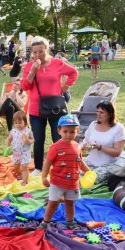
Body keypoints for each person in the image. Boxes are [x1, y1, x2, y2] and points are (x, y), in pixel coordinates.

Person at [20, 36, 79, 176]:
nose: (37, 55)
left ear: (47, 49)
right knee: (38, 139)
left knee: (58, 138)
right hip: (36, 108)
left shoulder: (57, 63)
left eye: (40, 51)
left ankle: (60, 165)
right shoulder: (29, 66)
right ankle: (38, 167)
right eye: (34, 52)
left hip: (56, 107)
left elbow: (73, 72)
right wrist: (33, 71)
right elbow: (25, 86)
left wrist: (65, 87)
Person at [40, 115, 90, 230]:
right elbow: (48, 162)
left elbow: (79, 161)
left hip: (73, 182)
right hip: (57, 181)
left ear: (77, 131)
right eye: (65, 131)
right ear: (59, 131)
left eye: (72, 132)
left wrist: (88, 172)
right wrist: (44, 176)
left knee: (70, 203)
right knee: (53, 202)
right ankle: (46, 222)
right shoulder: (55, 147)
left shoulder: (77, 146)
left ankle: (70, 222)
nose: (68, 134)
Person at [81, 101, 125, 185]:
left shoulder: (118, 128)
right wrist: (87, 146)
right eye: (97, 111)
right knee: (70, 173)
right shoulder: (93, 125)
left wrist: (99, 147)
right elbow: (85, 142)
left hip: (108, 164)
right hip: (90, 161)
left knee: (91, 180)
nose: (98, 114)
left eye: (102, 112)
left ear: (110, 114)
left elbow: (117, 152)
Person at [7, 111, 34, 186]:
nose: (18, 125)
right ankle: (19, 174)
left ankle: (25, 181)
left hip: (25, 152)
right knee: (16, 166)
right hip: (16, 152)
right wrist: (8, 145)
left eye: (20, 122)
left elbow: (33, 139)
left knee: (24, 167)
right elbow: (9, 139)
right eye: (16, 123)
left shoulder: (28, 131)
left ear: (25, 122)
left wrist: (28, 141)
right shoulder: (13, 131)